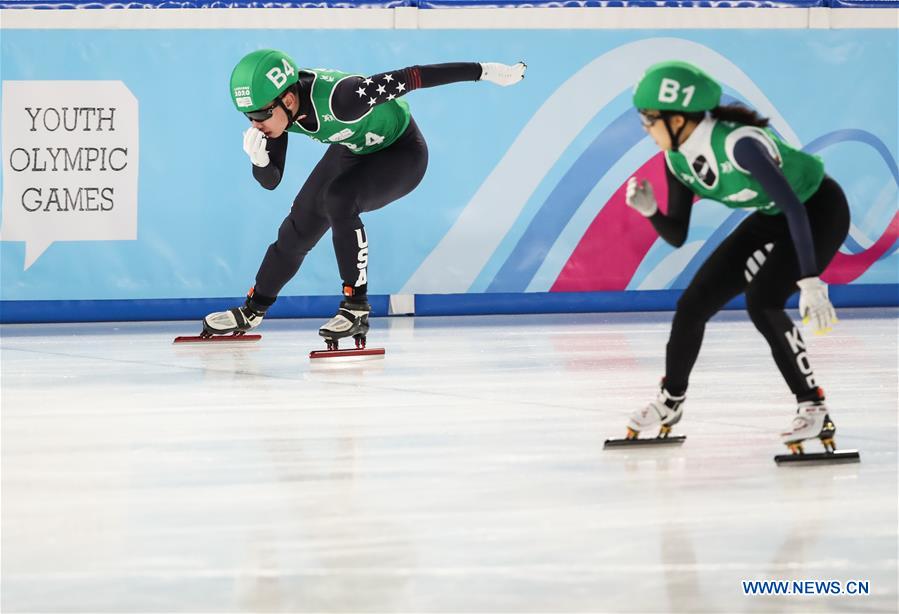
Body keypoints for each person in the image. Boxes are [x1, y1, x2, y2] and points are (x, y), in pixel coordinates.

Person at [203, 49, 526, 347]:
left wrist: (485, 71)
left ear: (287, 99)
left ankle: (356, 308)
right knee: (299, 224)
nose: (255, 124)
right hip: (353, 149)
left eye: (260, 114)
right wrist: (259, 162)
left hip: (401, 153)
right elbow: (271, 180)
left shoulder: (344, 98)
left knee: (339, 198)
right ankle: (253, 310)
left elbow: (413, 76)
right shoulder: (276, 114)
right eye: (248, 116)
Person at [622, 60, 850, 454]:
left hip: (818, 209)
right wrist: (650, 212)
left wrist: (811, 281)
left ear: (678, 119)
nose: (645, 128)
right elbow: (677, 234)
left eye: (649, 118)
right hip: (774, 216)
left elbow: (795, 207)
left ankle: (814, 407)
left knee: (763, 300)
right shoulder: (675, 158)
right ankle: (671, 401)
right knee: (692, 304)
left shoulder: (738, 144)